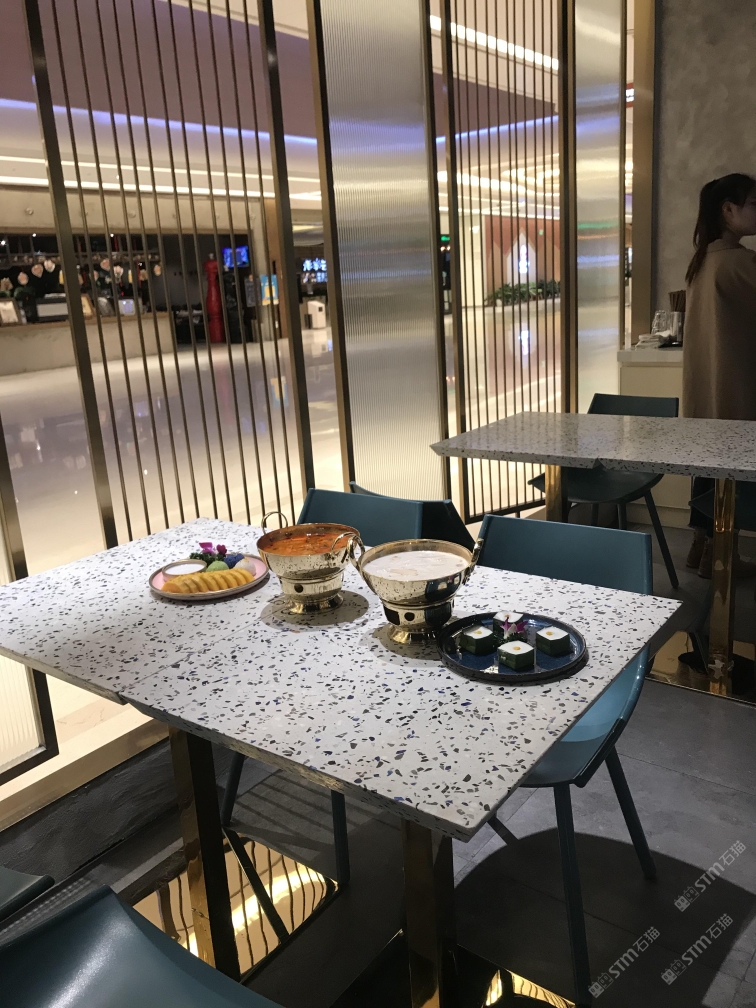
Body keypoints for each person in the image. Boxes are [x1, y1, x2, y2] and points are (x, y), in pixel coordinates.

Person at [683, 173, 756, 577]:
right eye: (754, 204)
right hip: (737, 385)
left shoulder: (701, 261)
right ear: (728, 210)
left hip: (704, 388)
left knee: (708, 470)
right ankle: (722, 557)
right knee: (734, 479)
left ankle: (702, 547)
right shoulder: (742, 262)